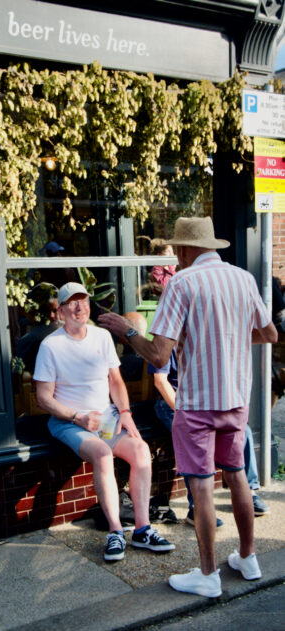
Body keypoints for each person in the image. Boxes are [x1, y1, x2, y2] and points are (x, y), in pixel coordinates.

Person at [99, 216, 278, 597]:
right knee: (237, 477)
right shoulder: (243, 279)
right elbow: (269, 333)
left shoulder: (182, 282)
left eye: (177, 249)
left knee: (201, 490)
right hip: (235, 399)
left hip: (196, 404)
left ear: (183, 250)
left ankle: (209, 575)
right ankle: (248, 558)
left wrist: (125, 330)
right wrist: (226, 335)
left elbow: (158, 354)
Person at [33, 282, 175, 562]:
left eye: (83, 300)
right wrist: (77, 417)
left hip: (106, 418)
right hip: (69, 423)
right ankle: (115, 531)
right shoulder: (51, 346)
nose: (79, 307)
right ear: (61, 311)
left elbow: (116, 382)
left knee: (142, 452)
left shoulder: (101, 337)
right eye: (71, 302)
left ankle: (143, 529)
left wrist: (125, 413)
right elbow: (43, 399)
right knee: (102, 453)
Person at [148, 350, 270, 523]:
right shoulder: (167, 341)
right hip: (174, 402)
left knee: (245, 432)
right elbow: (160, 382)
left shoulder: (203, 339)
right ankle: (196, 508)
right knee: (193, 439)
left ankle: (249, 491)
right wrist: (184, 413)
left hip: (205, 402)